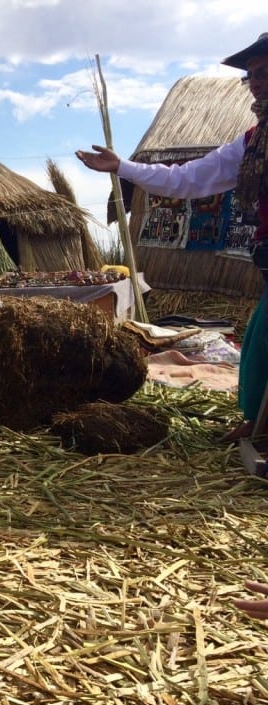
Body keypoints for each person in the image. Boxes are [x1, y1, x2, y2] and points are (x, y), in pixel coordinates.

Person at [76, 32, 268, 443]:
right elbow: (187, 178)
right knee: (256, 345)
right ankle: (258, 423)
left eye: (265, 72)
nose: (257, 81)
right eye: (251, 74)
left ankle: (259, 426)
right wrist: (122, 166)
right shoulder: (252, 144)